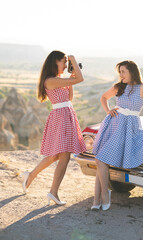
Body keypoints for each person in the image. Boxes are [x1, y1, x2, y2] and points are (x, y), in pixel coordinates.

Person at [21, 50, 86, 205]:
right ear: (55, 62)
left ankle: (31, 176)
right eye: (63, 61)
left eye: (66, 61)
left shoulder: (58, 79)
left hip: (66, 114)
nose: (65, 64)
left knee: (57, 156)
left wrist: (70, 80)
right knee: (64, 156)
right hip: (61, 117)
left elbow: (69, 98)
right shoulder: (50, 80)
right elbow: (81, 78)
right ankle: (53, 193)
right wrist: (73, 59)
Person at [91, 60, 143, 211]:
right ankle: (98, 198)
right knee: (100, 160)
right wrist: (108, 111)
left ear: (132, 72)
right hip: (113, 124)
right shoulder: (119, 86)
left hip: (129, 127)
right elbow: (103, 98)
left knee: (101, 160)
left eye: (123, 71)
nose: (120, 75)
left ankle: (101, 197)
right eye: (119, 72)